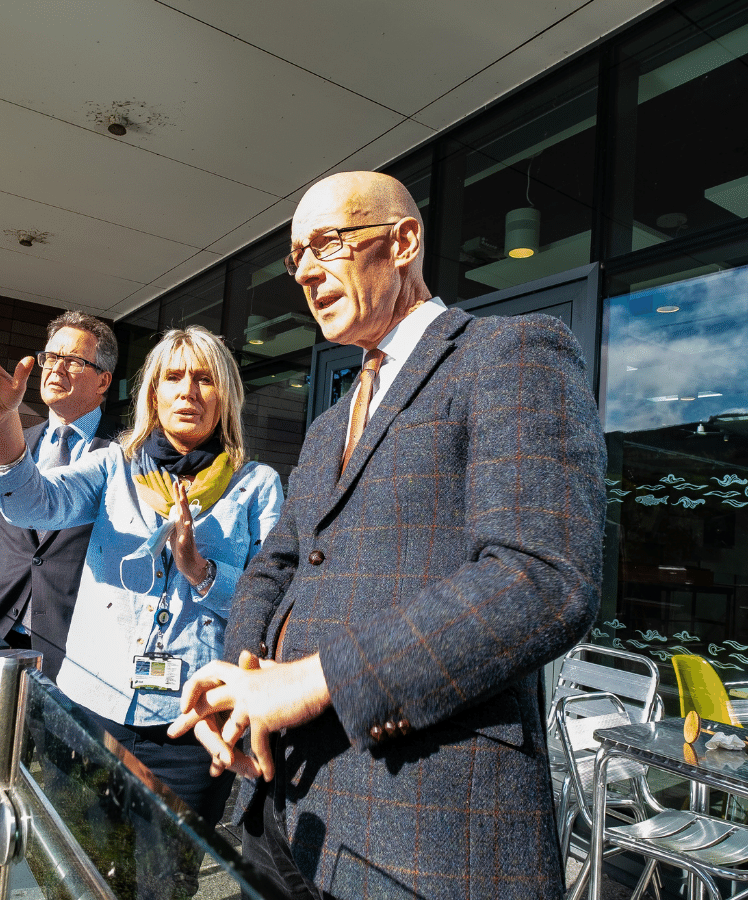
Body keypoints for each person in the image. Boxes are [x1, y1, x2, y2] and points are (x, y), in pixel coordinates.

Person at [167, 171, 607, 900]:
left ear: (402, 242)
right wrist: (238, 689)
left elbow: (542, 578)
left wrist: (314, 683)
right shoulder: (329, 421)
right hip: (283, 812)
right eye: (294, 256)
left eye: (326, 244)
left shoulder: (512, 353)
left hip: (422, 833)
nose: (305, 269)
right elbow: (279, 565)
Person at [0, 322, 283, 885]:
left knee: (164, 880)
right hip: (90, 709)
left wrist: (202, 571)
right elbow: (30, 503)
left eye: (204, 379)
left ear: (227, 396)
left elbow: (272, 600)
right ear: (152, 393)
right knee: (81, 865)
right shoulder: (113, 466)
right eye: (172, 377)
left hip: (190, 724)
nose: (188, 391)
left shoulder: (256, 485)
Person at [0, 310, 120, 679]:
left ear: (103, 381)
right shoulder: (14, 442)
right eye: (50, 358)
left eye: (74, 362)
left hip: (77, 646)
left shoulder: (126, 453)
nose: (55, 369)